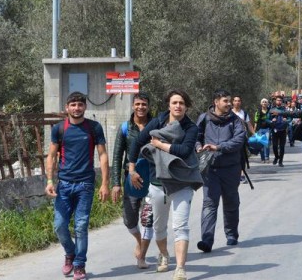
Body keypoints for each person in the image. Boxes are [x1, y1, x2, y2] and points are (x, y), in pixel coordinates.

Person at [128, 89, 200, 280]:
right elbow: (136, 142)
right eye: (174, 102)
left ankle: (180, 268)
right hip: (157, 183)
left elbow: (184, 151)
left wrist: (160, 145)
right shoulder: (158, 122)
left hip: (181, 182)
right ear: (168, 105)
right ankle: (164, 255)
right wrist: (131, 169)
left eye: (182, 103)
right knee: (159, 226)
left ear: (186, 106)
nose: (178, 106)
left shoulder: (190, 127)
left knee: (180, 225)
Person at [45, 92, 110, 280]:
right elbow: (51, 156)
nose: (76, 108)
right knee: (59, 225)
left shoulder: (94, 128)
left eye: (80, 105)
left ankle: (79, 265)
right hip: (63, 185)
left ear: (85, 107)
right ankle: (70, 253)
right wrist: (49, 181)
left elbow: (103, 155)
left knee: (81, 226)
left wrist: (104, 183)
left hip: (86, 185)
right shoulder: (59, 129)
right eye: (72, 104)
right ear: (67, 107)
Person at [196, 89, 246, 253]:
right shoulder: (204, 119)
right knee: (209, 204)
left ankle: (232, 234)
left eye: (229, 100)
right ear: (216, 102)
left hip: (231, 169)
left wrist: (218, 147)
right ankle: (207, 240)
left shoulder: (236, 121)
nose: (229, 104)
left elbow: (238, 141)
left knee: (231, 202)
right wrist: (198, 147)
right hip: (210, 170)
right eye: (225, 101)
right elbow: (195, 137)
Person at [110, 92, 154, 269]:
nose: (141, 107)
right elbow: (116, 156)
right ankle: (139, 240)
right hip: (131, 178)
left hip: (152, 178)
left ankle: (142, 256)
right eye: (137, 104)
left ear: (148, 106)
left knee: (148, 219)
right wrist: (116, 183)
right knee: (129, 220)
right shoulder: (125, 128)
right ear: (133, 106)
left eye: (144, 104)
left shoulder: (156, 126)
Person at [231, 95, 253, 184]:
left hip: (241, 138)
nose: (237, 102)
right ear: (232, 102)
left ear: (241, 102)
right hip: (230, 138)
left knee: (242, 157)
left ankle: (242, 175)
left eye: (239, 101)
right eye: (235, 100)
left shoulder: (244, 113)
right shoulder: (228, 112)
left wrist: (255, 134)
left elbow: (249, 125)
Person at [267, 95, 288, 167]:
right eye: (277, 100)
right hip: (275, 130)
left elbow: (290, 118)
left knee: (282, 147)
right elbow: (267, 119)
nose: (279, 101)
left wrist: (286, 121)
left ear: (282, 102)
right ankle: (276, 157)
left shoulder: (284, 110)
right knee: (274, 146)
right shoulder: (272, 110)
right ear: (275, 101)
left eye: (280, 100)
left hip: (283, 130)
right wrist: (271, 121)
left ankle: (280, 161)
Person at [254, 98, 271, 163]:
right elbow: (255, 122)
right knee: (261, 144)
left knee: (266, 144)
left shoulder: (270, 111)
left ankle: (267, 158)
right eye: (263, 102)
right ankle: (262, 158)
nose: (264, 103)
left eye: (265, 102)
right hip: (260, 129)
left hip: (267, 129)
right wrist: (254, 131)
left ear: (267, 103)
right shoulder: (258, 112)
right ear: (261, 103)